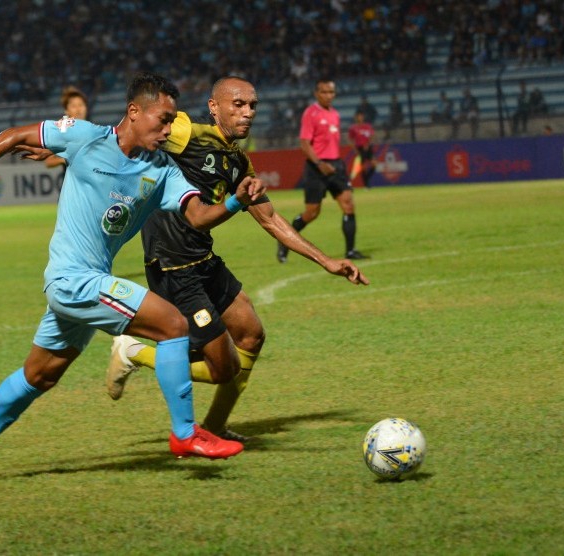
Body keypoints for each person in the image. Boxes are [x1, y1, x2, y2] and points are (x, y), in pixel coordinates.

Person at [0, 72, 264, 483]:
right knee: (173, 325)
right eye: (163, 118)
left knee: (41, 375)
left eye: (173, 119)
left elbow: (198, 216)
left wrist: (233, 200)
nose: (168, 128)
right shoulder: (85, 137)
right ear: (134, 112)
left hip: (88, 283)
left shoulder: (162, 171)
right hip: (72, 279)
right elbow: (15, 135)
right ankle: (185, 434)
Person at [105, 77, 368, 440]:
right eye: (238, 104)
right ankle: (133, 351)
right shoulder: (185, 132)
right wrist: (68, 147)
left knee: (251, 335)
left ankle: (215, 426)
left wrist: (327, 261)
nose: (247, 113)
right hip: (172, 265)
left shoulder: (239, 162)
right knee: (221, 367)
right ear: (214, 107)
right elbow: (132, 126)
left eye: (253, 106)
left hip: (202, 258)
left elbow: (271, 219)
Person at [277, 79, 367, 263]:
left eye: (331, 92)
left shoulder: (335, 114)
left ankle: (350, 251)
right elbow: (304, 144)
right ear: (317, 94)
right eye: (324, 92)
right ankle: (284, 242)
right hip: (316, 168)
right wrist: (319, 164)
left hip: (336, 166)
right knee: (312, 213)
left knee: (348, 205)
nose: (329, 95)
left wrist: (334, 163)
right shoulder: (311, 113)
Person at [44, 86, 89, 168]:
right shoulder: (63, 130)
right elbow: (49, 162)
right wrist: (65, 160)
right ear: (66, 111)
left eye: (81, 105)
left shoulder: (93, 129)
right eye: (74, 106)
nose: (78, 109)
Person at [347, 110, 376, 188]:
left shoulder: (367, 126)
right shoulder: (353, 128)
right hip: (359, 148)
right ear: (356, 118)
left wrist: (368, 144)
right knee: (363, 167)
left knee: (374, 164)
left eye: (361, 116)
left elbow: (372, 136)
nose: (360, 118)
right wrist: (355, 149)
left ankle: (367, 179)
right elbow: (350, 139)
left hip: (368, 147)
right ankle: (366, 185)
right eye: (358, 116)